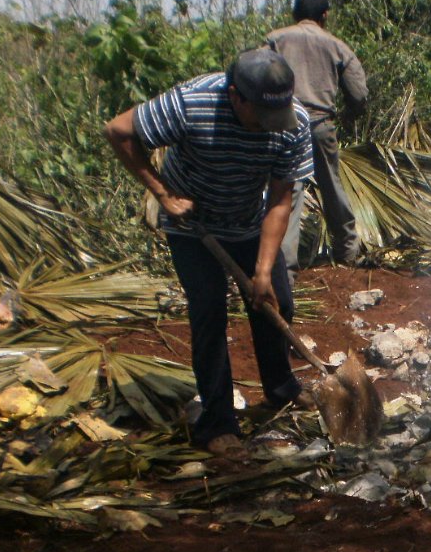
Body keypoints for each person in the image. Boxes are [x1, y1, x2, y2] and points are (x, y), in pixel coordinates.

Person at [104, 49, 315, 460]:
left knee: (276, 302)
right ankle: (217, 422)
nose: (267, 129)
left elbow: (280, 198)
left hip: (249, 221)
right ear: (235, 97)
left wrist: (262, 271)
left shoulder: (294, 123)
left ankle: (281, 389)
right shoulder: (192, 102)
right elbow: (118, 131)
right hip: (192, 228)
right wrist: (163, 193)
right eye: (260, 117)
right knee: (209, 312)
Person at [266, 0, 368, 271]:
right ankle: (347, 249)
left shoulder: (276, 40)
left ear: (295, 14)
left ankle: (284, 264)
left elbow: (253, 75)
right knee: (331, 184)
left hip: (284, 123)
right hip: (320, 123)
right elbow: (358, 94)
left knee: (288, 189)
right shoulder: (337, 46)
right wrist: (349, 117)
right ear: (324, 16)